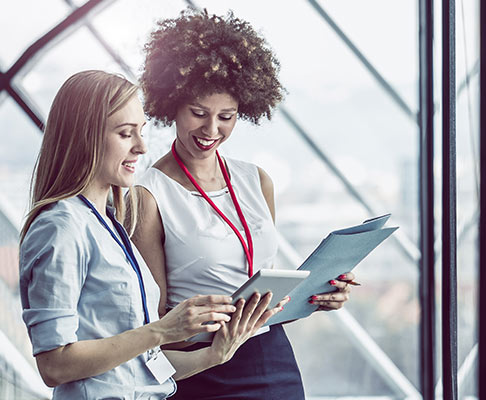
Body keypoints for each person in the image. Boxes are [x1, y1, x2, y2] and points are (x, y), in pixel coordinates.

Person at [130, 9, 357, 399]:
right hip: (203, 364)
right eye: (198, 113)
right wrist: (212, 338)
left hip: (272, 355)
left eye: (227, 117)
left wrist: (319, 295)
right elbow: (153, 319)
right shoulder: (148, 194)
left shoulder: (257, 180)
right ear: (171, 104)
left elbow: (261, 274)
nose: (211, 130)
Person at [19, 70, 280, 399]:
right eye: (126, 134)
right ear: (85, 137)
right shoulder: (61, 227)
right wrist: (161, 330)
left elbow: (141, 365)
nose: (142, 147)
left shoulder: (109, 223)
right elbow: (54, 365)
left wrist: (214, 355)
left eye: (141, 131)